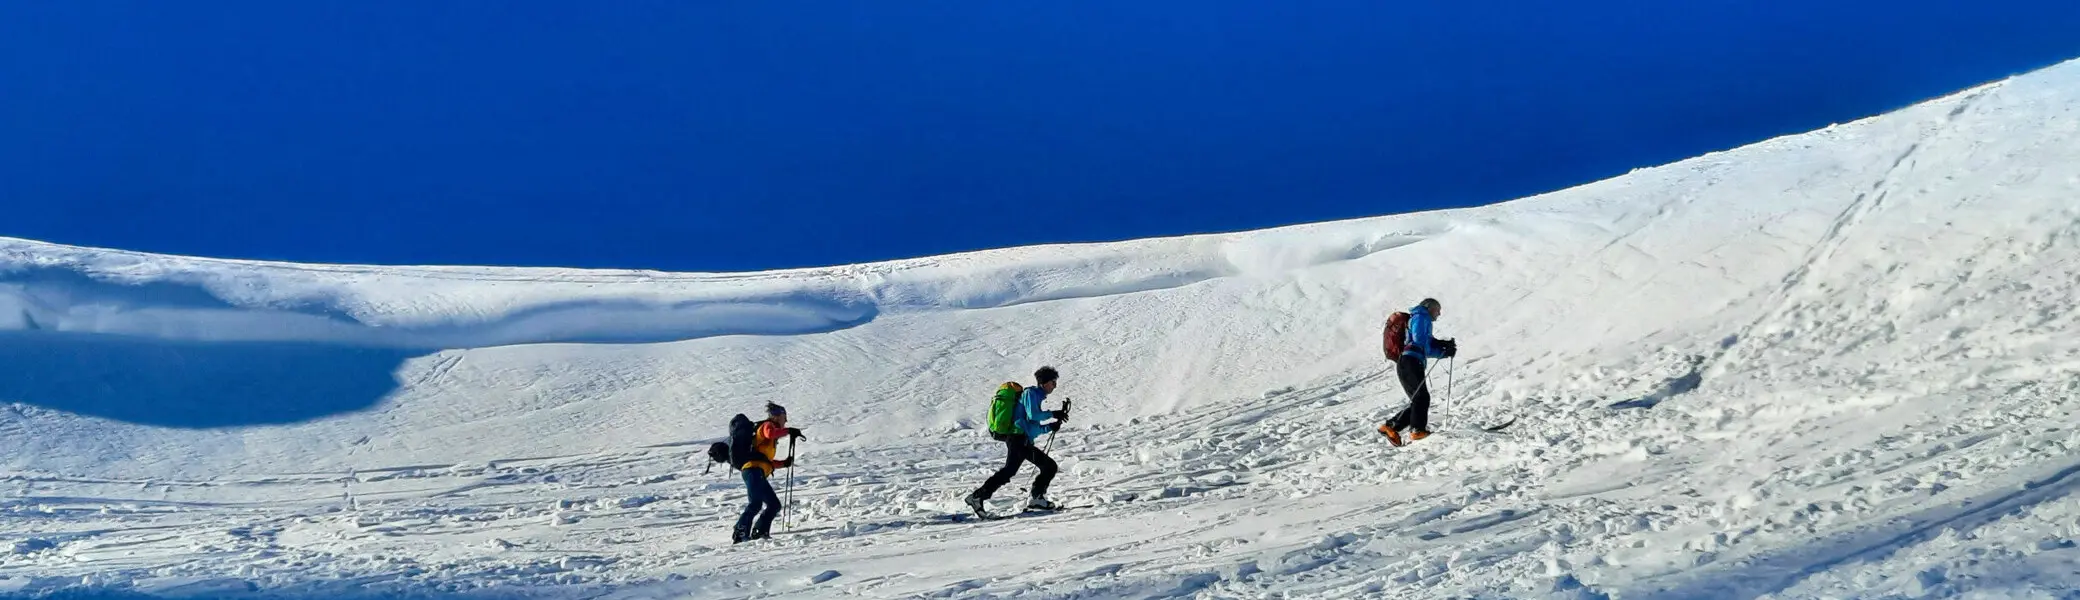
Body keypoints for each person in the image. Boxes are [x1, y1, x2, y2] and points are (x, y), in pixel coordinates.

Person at [966, 366, 1068, 516]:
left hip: (1022, 440)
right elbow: (1034, 416)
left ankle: (1036, 498)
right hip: (1017, 439)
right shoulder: (1031, 393)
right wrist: (1053, 414)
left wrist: (1050, 426)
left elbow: (1031, 427)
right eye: (1053, 382)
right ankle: (977, 497)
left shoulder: (1034, 396)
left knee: (1046, 467)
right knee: (1016, 470)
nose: (1055, 386)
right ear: (1045, 383)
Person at [1379, 298, 1457, 446]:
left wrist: (1444, 350)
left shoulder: (1421, 318)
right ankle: (1417, 430)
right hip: (1410, 362)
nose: (1439, 314)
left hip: (1411, 361)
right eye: (1437, 309)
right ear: (1429, 307)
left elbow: (1422, 346)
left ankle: (1391, 427)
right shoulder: (1421, 317)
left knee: (1419, 399)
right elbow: (1421, 342)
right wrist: (1442, 345)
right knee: (1421, 398)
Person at [734, 402, 804, 543]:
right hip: (752, 470)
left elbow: (766, 461)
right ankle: (740, 532)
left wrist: (783, 463)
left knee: (774, 505)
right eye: (785, 417)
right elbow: (770, 433)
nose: (786, 421)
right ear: (778, 416)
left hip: (758, 471)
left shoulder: (770, 438)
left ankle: (760, 532)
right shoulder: (768, 426)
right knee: (755, 503)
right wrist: (789, 431)